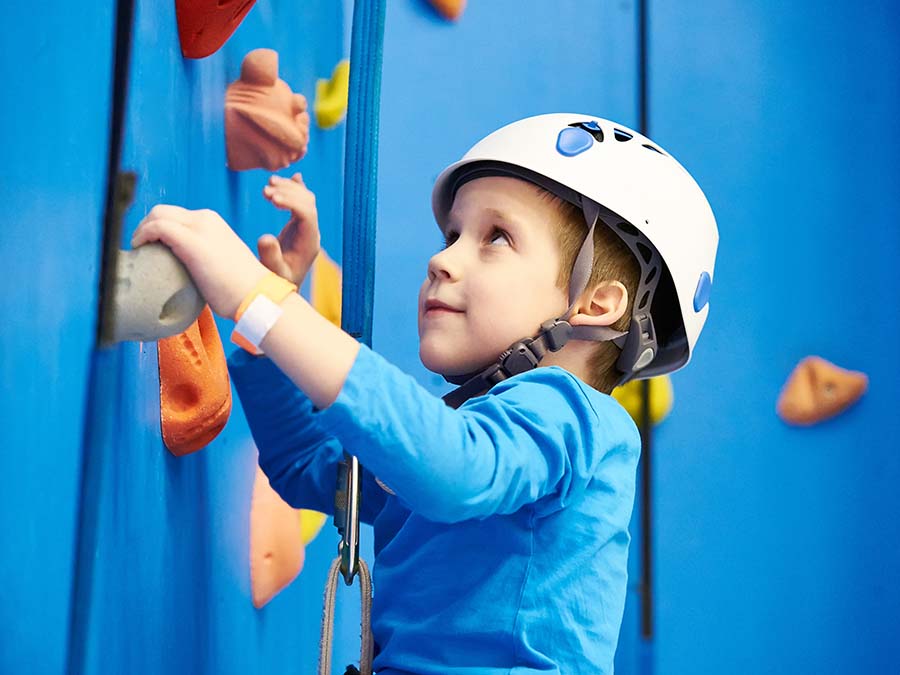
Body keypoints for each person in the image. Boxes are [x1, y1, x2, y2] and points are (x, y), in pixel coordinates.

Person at [131, 114, 719, 674]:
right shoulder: (469, 440)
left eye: (496, 238)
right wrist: (263, 336)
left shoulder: (575, 417)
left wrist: (259, 299)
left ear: (595, 306)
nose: (442, 259)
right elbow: (308, 467)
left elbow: (453, 467)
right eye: (453, 234)